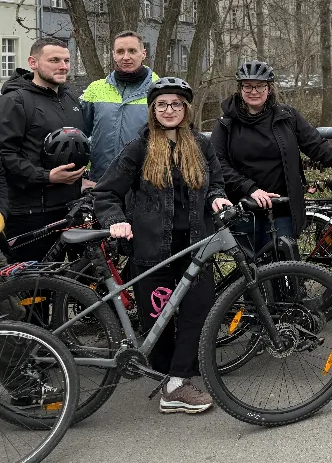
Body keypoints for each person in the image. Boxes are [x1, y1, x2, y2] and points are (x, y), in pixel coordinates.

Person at [92, 77, 231, 414]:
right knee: (160, 318)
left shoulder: (200, 144)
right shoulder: (139, 147)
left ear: (186, 109)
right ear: (153, 110)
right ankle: (170, 378)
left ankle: (177, 381)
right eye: (163, 105)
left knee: (199, 311)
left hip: (196, 245)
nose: (170, 110)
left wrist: (218, 199)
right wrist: (115, 220)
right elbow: (105, 192)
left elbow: (216, 183)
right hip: (152, 247)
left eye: (177, 104)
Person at [211, 60, 332, 254]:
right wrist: (250, 189)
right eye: (248, 86)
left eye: (260, 86)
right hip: (244, 209)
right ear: (240, 89)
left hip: (282, 209)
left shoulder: (287, 117)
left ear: (269, 89)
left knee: (287, 269)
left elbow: (318, 147)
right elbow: (218, 164)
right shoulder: (226, 124)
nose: (254, 91)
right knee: (252, 276)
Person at [0, 37, 87, 261]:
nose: (63, 66)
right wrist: (46, 176)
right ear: (33, 62)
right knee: (34, 287)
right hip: (30, 212)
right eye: (54, 60)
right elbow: (5, 155)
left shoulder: (70, 97)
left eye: (67, 60)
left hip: (69, 208)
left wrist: (83, 178)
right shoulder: (14, 101)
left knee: (68, 283)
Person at [80, 31, 159, 181]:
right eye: (120, 51)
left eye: (132, 51)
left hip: (144, 183)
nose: (126, 57)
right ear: (114, 55)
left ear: (143, 54)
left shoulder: (159, 91)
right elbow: (79, 134)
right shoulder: (95, 90)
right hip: (101, 181)